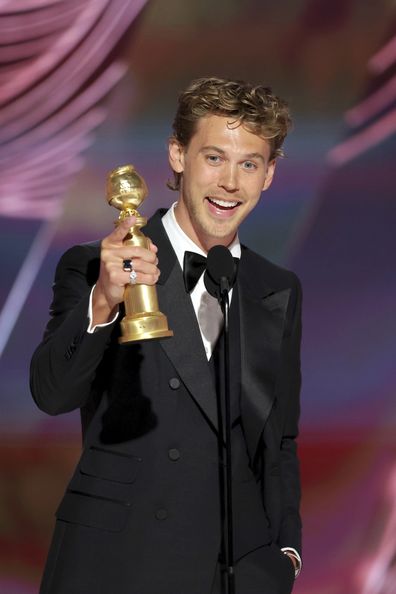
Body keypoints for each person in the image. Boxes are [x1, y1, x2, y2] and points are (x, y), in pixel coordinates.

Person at [30, 77, 303, 594]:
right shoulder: (96, 264)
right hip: (118, 562)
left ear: (268, 175)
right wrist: (105, 301)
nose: (230, 183)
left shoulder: (276, 288)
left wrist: (285, 551)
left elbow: (279, 440)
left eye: (249, 164)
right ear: (178, 155)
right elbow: (51, 393)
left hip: (237, 571)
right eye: (214, 158)